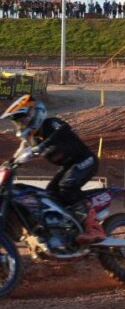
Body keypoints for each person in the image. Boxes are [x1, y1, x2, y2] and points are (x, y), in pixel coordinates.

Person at [0, 95, 105, 245]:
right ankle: (66, 227)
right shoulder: (32, 138)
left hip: (85, 160)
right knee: (51, 194)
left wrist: (39, 148)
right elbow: (20, 152)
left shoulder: (51, 124)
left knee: (67, 186)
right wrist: (9, 164)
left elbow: (61, 131)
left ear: (34, 114)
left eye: (22, 120)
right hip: (69, 166)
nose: (21, 125)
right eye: (18, 123)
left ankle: (94, 229)